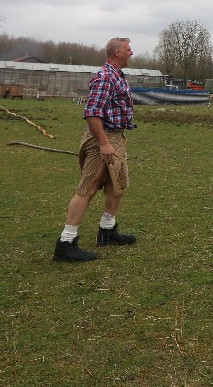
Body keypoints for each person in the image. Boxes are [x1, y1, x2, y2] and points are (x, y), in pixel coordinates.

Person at [53, 37, 139, 262]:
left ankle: (107, 231)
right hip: (103, 138)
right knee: (89, 187)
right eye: (128, 49)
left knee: (116, 185)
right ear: (117, 53)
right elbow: (92, 112)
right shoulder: (105, 77)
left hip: (116, 137)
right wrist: (103, 143)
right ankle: (66, 242)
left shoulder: (117, 75)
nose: (131, 52)